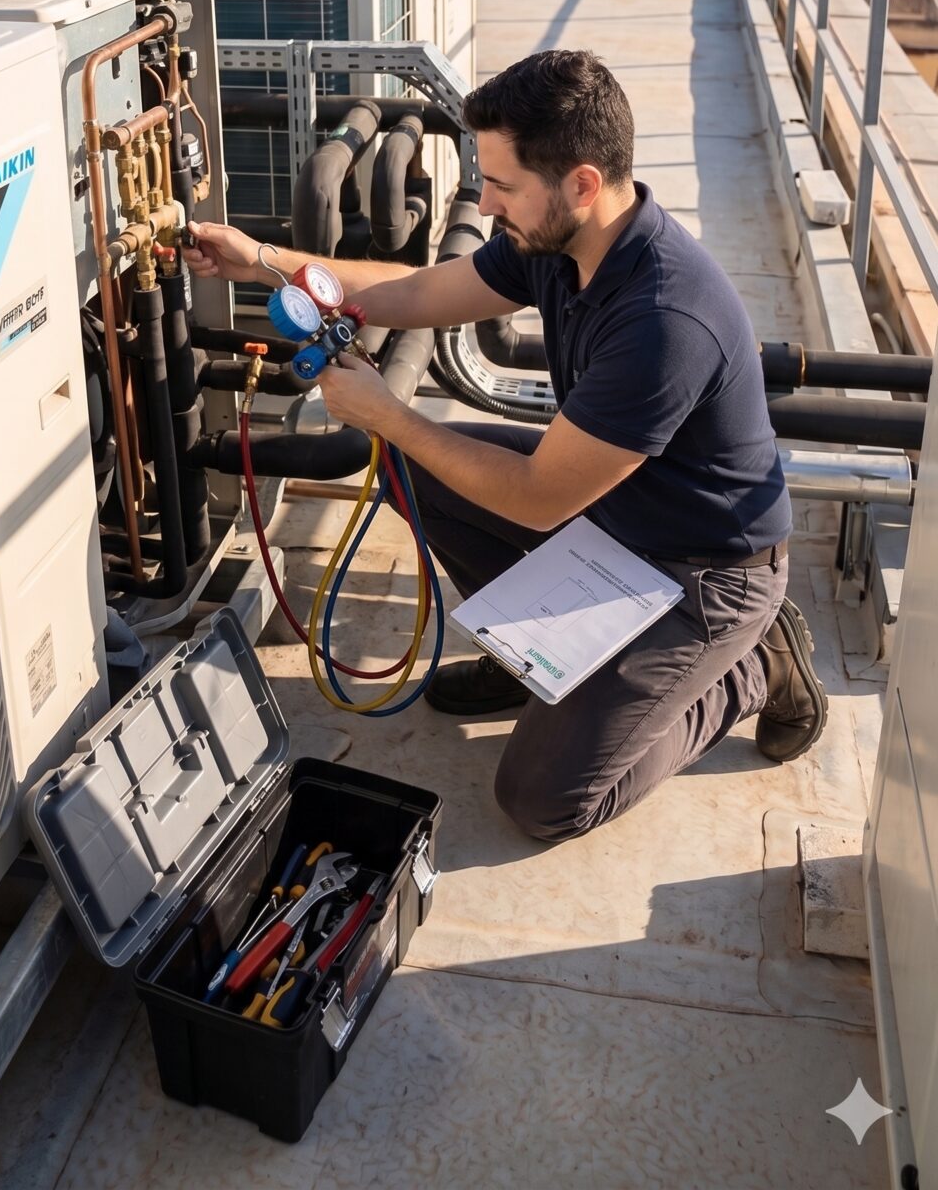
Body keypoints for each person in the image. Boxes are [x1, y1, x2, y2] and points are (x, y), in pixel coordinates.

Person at [185, 49, 827, 842]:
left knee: (543, 803)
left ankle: (753, 668)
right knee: (418, 469)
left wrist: (387, 414)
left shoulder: (665, 321)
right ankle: (545, 660)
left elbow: (538, 496)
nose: (486, 205)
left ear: (582, 184)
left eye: (502, 185)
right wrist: (266, 261)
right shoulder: (558, 245)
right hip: (619, 518)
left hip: (703, 573)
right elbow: (416, 291)